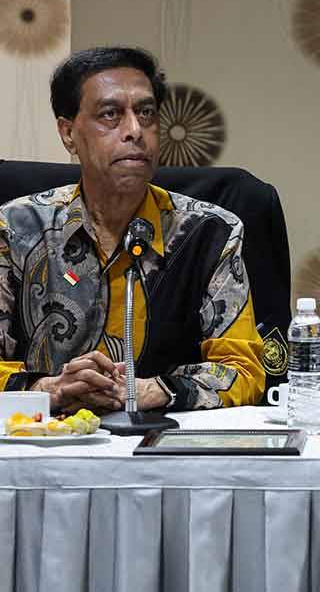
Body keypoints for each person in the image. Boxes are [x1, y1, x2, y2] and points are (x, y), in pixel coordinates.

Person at [0, 47, 264, 412]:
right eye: (110, 115)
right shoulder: (15, 228)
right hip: (45, 450)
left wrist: (153, 390)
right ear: (68, 133)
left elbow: (244, 371)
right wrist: (49, 387)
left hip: (162, 452)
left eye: (146, 113)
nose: (135, 131)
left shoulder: (210, 233)